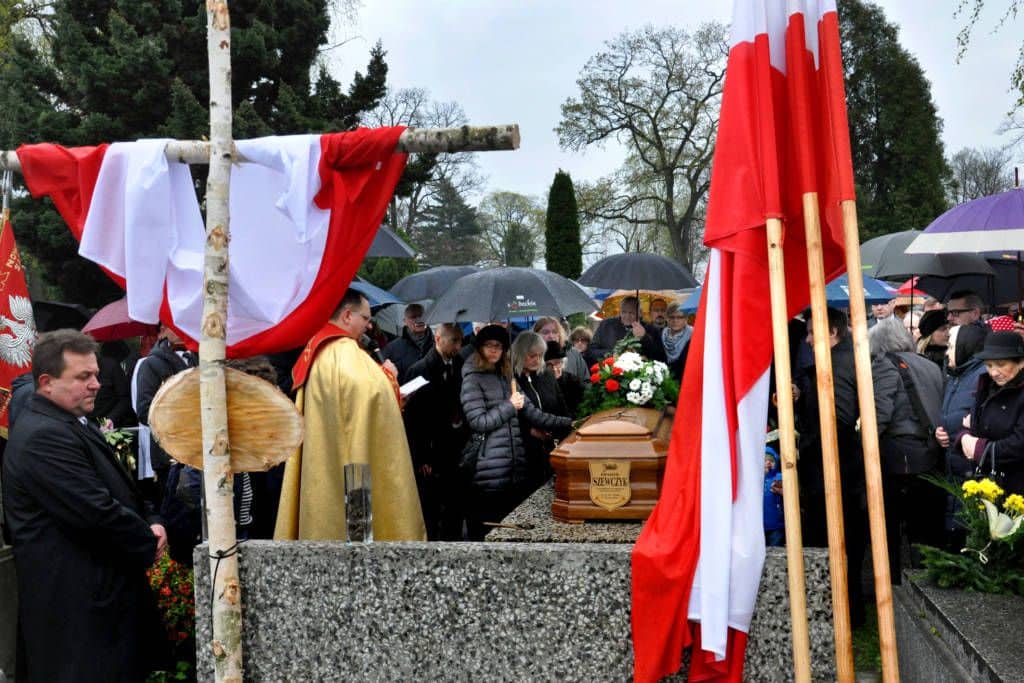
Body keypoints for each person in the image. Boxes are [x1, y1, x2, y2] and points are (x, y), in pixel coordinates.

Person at [2, 330, 166, 681]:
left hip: (98, 608)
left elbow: (121, 487)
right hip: (78, 615)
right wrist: (147, 540)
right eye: (83, 377)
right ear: (46, 382)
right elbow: (95, 512)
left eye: (95, 374)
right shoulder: (43, 436)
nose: (96, 384)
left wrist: (152, 517)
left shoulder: (72, 420)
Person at [275, 288, 426, 540]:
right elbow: (370, 396)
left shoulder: (320, 350)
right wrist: (390, 378)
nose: (368, 326)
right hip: (354, 473)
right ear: (347, 316)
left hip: (325, 460)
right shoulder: (346, 353)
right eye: (365, 319)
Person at [461, 325, 570, 540]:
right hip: (488, 469)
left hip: (514, 467)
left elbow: (534, 414)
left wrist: (570, 423)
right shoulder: (472, 379)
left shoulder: (506, 377)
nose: (494, 350)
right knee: (487, 532)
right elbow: (478, 421)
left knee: (510, 532)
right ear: (480, 349)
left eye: (498, 346)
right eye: (489, 345)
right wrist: (509, 406)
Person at [797, 307, 867, 626]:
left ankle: (839, 611)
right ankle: (846, 610)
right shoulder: (847, 359)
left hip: (832, 470)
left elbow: (835, 421)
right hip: (841, 470)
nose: (809, 340)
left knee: (834, 539)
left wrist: (803, 447)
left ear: (833, 333)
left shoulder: (835, 365)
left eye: (813, 333)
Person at [868, 317, 946, 578]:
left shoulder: (883, 366)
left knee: (890, 531)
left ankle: (893, 590)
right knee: (926, 534)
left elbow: (879, 413)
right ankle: (929, 587)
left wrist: (864, 446)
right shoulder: (930, 365)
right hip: (932, 455)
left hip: (898, 459)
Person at [403, 323, 468, 540]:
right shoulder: (419, 370)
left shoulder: (460, 365)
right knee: (431, 508)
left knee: (455, 507)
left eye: (460, 341)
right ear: (438, 339)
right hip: (431, 451)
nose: (458, 346)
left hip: (455, 447)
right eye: (454, 341)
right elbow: (412, 419)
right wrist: (422, 457)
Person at [936, 324, 990, 546]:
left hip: (970, 468)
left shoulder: (982, 375)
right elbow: (951, 414)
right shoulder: (957, 376)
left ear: (965, 347)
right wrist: (941, 431)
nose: (947, 352)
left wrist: (960, 433)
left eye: (951, 346)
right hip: (955, 464)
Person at [953, 331, 1024, 495]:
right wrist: (964, 437)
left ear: (1021, 362)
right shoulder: (986, 387)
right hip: (987, 486)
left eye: (1001, 364)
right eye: (989, 365)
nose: (993, 372)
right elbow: (970, 423)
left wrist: (978, 447)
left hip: (1016, 489)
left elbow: (1019, 444)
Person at [133, 323, 197, 506]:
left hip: (197, 447)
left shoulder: (197, 358)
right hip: (170, 450)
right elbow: (144, 411)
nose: (181, 330)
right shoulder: (151, 364)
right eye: (174, 326)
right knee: (176, 507)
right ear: (164, 332)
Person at [512, 332, 573, 491]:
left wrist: (566, 430)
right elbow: (513, 415)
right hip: (526, 449)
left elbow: (561, 405)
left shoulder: (546, 374)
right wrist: (529, 430)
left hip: (553, 444)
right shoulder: (511, 379)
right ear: (520, 354)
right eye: (532, 355)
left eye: (540, 355)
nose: (537, 360)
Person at [590, 296, 666, 363]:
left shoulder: (651, 329)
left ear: (640, 313)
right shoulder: (606, 325)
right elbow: (592, 351)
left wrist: (644, 337)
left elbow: (660, 357)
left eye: (631, 313)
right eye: (624, 312)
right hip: (611, 372)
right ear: (620, 311)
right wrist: (612, 354)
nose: (627, 316)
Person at [382, 302, 433, 383]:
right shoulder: (392, 348)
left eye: (421, 316)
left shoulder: (438, 344)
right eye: (413, 317)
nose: (419, 320)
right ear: (405, 321)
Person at [546, 340, 583, 418]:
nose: (554, 368)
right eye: (549, 365)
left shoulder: (573, 380)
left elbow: (580, 407)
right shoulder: (541, 383)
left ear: (563, 363)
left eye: (557, 363)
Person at [662, 303, 692, 381]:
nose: (675, 321)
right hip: (666, 380)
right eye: (672, 317)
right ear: (667, 318)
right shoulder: (662, 333)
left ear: (686, 319)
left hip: (686, 379)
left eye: (680, 317)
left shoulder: (693, 334)